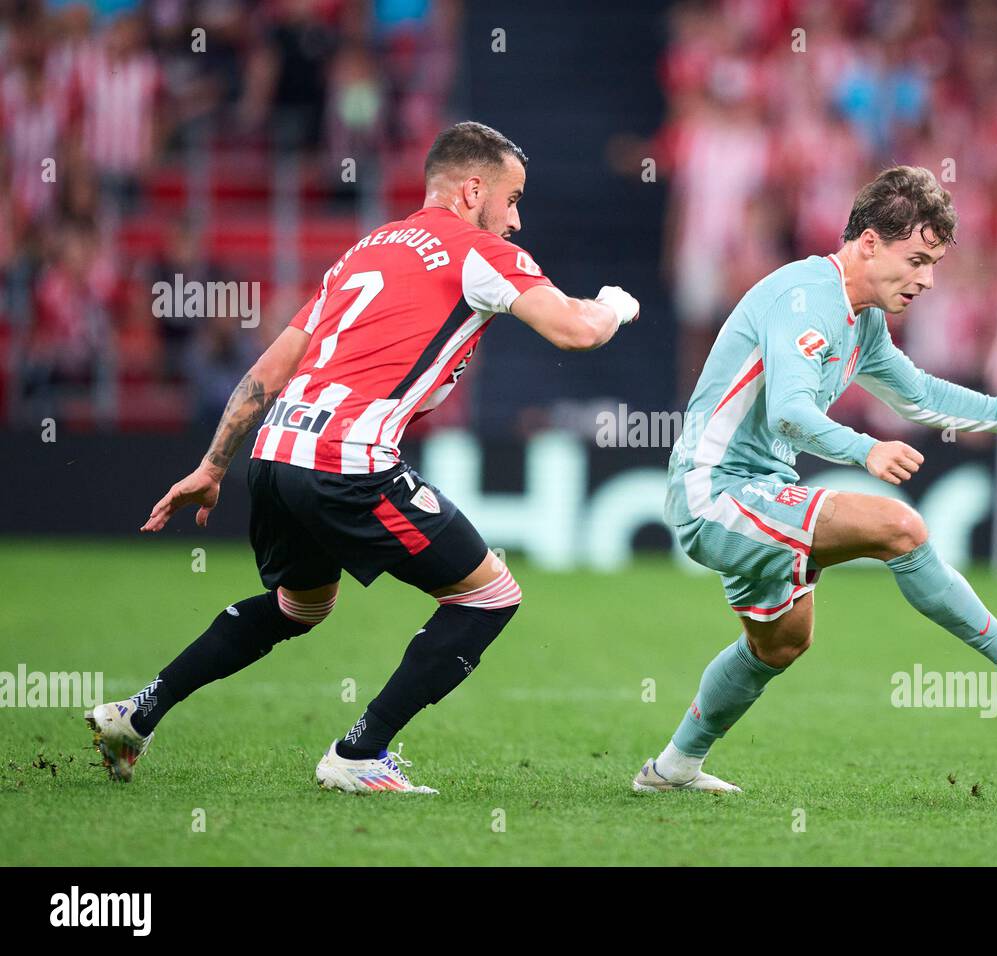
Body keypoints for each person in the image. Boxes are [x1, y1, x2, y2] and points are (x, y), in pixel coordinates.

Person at [85, 121, 640, 793]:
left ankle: (138, 713)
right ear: (472, 192)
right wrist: (613, 307)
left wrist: (213, 463)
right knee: (490, 596)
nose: (516, 220)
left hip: (274, 452)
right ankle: (359, 752)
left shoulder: (365, 250)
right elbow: (574, 330)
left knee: (299, 607)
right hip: (345, 460)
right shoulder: (475, 249)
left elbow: (274, 364)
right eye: (513, 198)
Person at [634, 165, 997, 793]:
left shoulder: (862, 320)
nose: (927, 279)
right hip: (716, 488)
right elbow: (789, 410)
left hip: (761, 487)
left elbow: (919, 395)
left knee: (781, 644)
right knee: (899, 527)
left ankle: (672, 770)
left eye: (935, 264)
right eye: (916, 259)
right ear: (868, 242)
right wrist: (866, 450)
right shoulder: (806, 298)